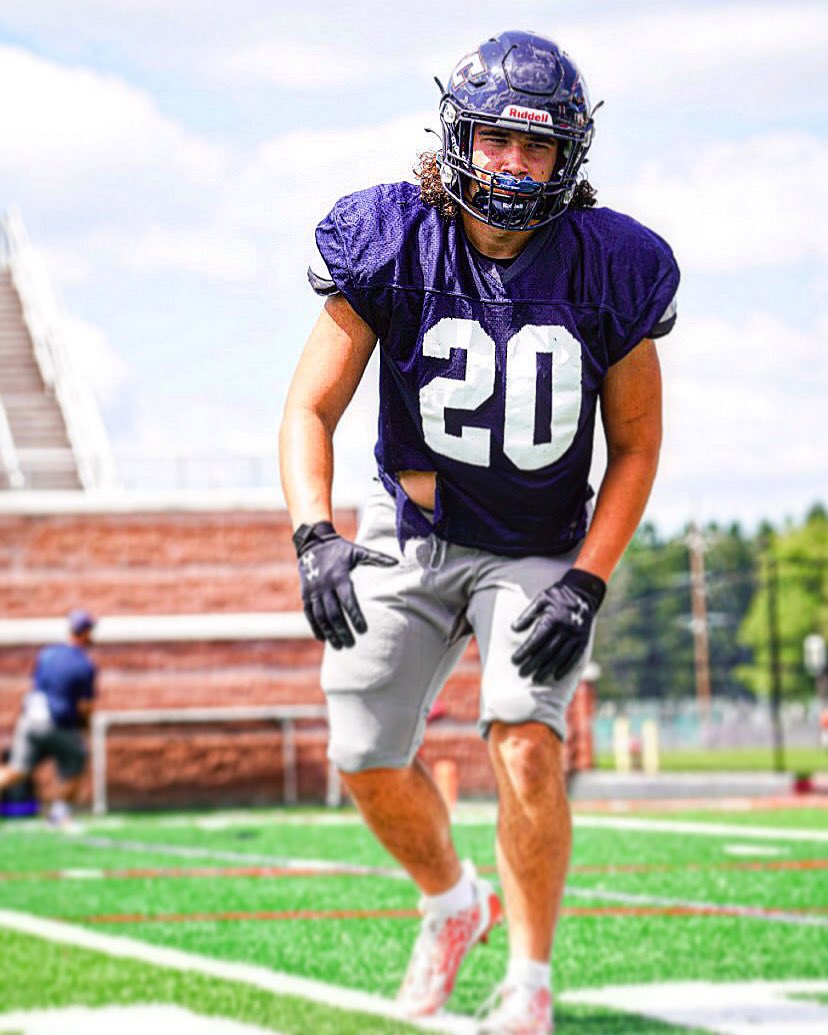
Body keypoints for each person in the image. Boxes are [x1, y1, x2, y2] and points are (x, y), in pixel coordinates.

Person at [279, 29, 679, 1034]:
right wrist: (312, 532)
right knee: (365, 753)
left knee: (525, 737)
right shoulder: (389, 236)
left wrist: (587, 579)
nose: (511, 164)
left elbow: (633, 446)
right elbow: (308, 410)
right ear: (456, 138)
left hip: (540, 544)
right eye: (496, 140)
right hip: (410, 527)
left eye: (534, 147)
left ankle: (530, 984)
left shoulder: (612, 265)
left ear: (567, 158)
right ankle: (455, 904)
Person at [0, 609, 98, 828]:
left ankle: (57, 813)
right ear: (85, 633)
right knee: (77, 765)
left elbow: (38, 685)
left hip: (31, 718)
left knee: (17, 770)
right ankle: (59, 813)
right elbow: (86, 706)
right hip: (58, 722)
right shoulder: (84, 665)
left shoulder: (47, 654)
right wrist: (84, 729)